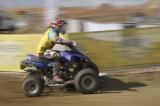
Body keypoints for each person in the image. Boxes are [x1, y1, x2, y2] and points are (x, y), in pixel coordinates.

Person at [37, 18, 70, 82]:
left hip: (45, 50)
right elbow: (56, 39)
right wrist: (67, 42)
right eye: (61, 26)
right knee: (57, 56)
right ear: (56, 26)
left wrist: (66, 43)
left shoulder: (55, 31)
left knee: (63, 54)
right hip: (43, 52)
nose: (62, 28)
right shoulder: (52, 31)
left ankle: (63, 73)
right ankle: (56, 76)